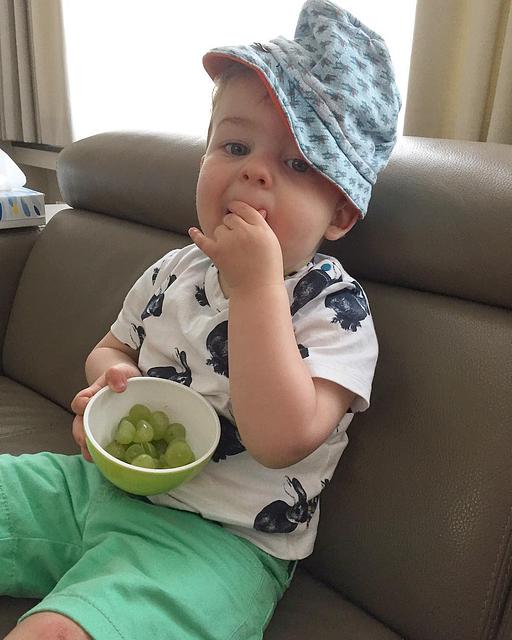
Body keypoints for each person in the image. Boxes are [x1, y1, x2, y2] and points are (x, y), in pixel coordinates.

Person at [0, 1, 401, 638]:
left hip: (219, 545)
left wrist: (256, 289)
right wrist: (110, 382)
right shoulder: (177, 268)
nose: (254, 170)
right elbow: (111, 348)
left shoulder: (334, 308)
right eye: (235, 146)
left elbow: (281, 439)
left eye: (298, 163)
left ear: (340, 213)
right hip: (100, 485)